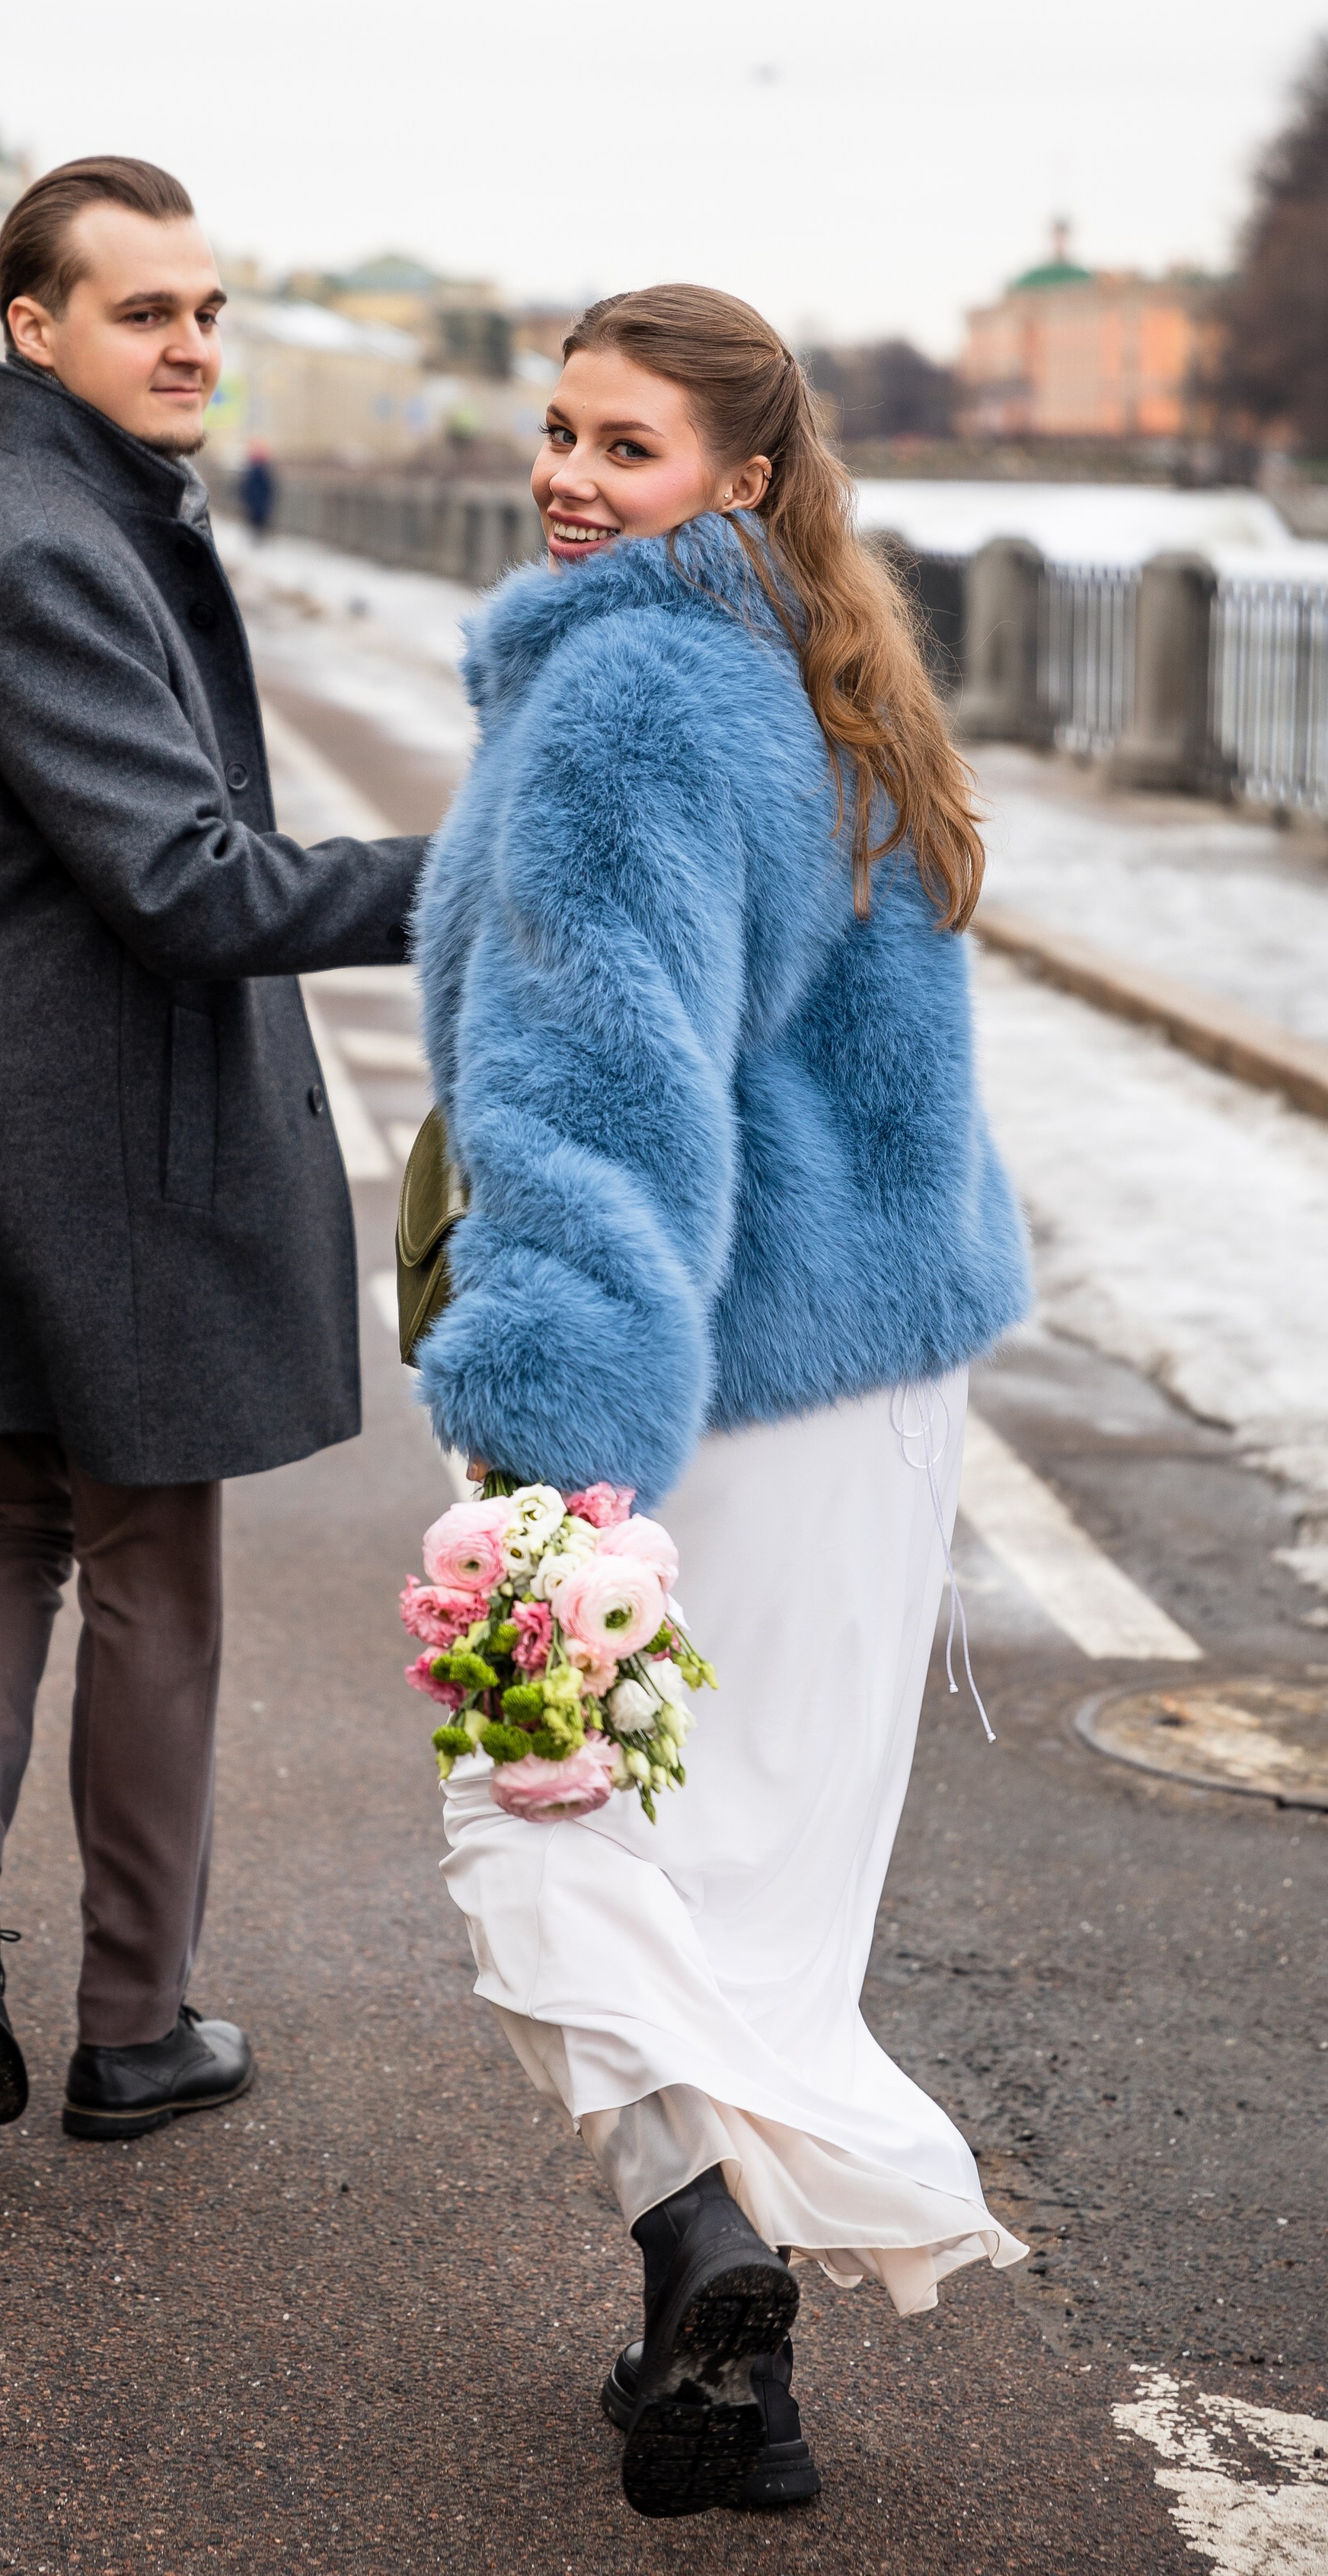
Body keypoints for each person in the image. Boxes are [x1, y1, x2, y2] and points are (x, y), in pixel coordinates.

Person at [410, 284, 1032, 2518]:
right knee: (754, 1881)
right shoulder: (831, 679)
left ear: (740, 475)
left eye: (630, 444)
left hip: (697, 1374)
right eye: (559, 430)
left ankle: (694, 2238)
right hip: (884, 1386)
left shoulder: (626, 703)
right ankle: (729, 2382)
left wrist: (552, 1448)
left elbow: (598, 1109)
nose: (570, 475)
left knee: (537, 1808)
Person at [0, 157, 425, 2141]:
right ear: (30, 327)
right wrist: (482, 865)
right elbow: (191, 888)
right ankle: (136, 2023)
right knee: (152, 1557)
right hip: (88, 1138)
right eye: (146, 312)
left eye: (209, 310)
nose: (195, 346)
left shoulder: (15, 512)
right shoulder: (48, 544)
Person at [238, 443, 277, 540]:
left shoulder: (253, 471)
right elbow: (269, 488)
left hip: (255, 502)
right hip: (259, 502)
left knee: (255, 522)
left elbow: (246, 487)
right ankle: (258, 539)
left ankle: (256, 539)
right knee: (258, 522)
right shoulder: (264, 471)